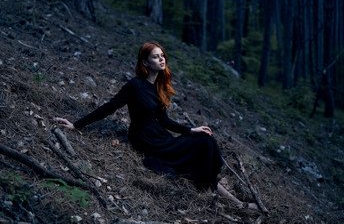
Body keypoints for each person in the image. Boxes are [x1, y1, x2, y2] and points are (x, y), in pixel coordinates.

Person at [54, 42, 258, 210]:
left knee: (205, 139)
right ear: (145, 62)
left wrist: (191, 129)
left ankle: (230, 199)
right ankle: (235, 202)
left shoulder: (159, 87)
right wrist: (76, 125)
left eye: (162, 56)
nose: (161, 59)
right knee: (202, 146)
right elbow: (108, 108)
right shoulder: (135, 86)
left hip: (160, 135)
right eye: (155, 56)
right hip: (144, 138)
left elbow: (165, 121)